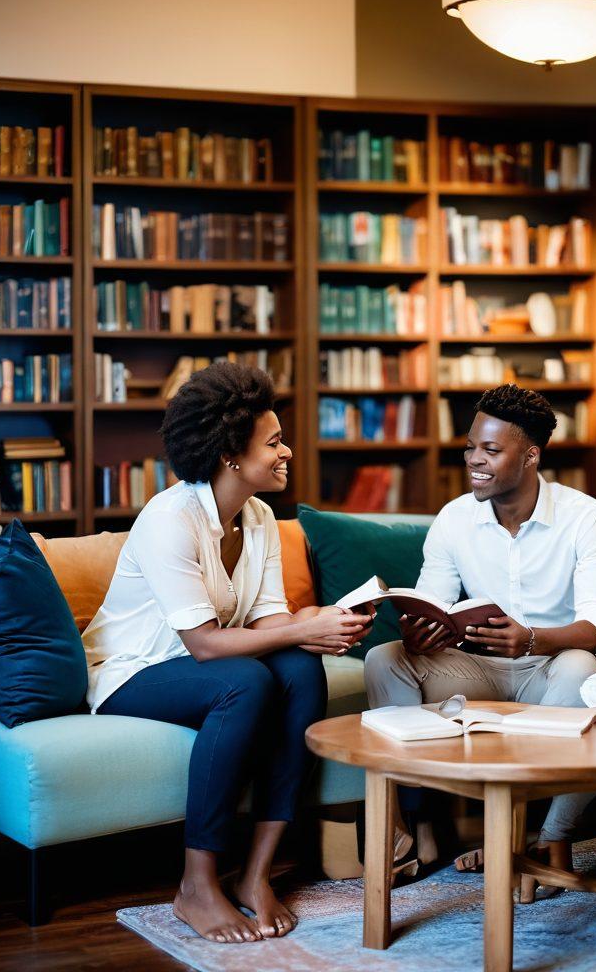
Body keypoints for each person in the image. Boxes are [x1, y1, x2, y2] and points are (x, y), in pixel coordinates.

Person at [82, 363, 373, 944]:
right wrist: (296, 629)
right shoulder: (170, 520)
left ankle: (257, 873)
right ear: (230, 456)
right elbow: (207, 643)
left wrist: (318, 625)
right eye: (274, 442)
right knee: (247, 680)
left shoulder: (260, 517)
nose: (287, 451)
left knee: (297, 666)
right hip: (132, 674)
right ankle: (195, 883)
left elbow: (269, 624)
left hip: (205, 666)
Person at [364, 384, 596, 894]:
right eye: (470, 447)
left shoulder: (584, 516)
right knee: (383, 659)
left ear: (530, 455)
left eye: (490, 451)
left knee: (581, 670)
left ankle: (544, 840)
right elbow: (432, 598)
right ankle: (409, 827)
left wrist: (530, 640)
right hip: (475, 669)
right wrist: (420, 628)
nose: (474, 461)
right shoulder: (455, 518)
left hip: (549, 668)